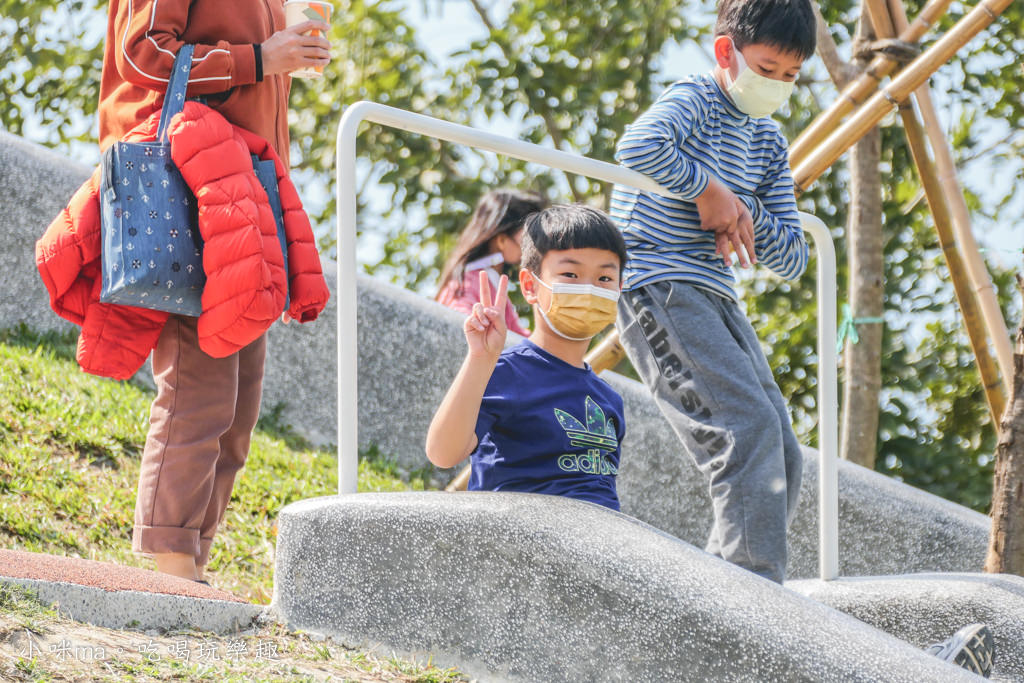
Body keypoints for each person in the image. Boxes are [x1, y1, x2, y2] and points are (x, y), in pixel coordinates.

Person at [98, 0, 331, 582]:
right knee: (199, 390)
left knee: (238, 407)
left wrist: (279, 54)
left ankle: (190, 559)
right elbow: (141, 56)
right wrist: (258, 58)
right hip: (190, 180)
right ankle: (171, 562)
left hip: (247, 189)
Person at [609, 0, 815, 585]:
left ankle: (725, 579)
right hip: (658, 281)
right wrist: (707, 193)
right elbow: (638, 146)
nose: (776, 85)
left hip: (717, 296)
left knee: (781, 444)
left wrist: (739, 206)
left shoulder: (769, 145)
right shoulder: (697, 97)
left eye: (789, 76)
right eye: (767, 68)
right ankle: (746, 586)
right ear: (728, 52)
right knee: (743, 428)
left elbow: (791, 255)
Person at [426, 204, 627, 510]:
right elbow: (442, 453)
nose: (588, 290)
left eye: (604, 279)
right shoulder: (507, 372)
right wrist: (480, 359)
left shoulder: (609, 401)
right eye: (570, 274)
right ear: (531, 286)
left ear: (619, 288)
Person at [436, 189, 548, 337]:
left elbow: (521, 340)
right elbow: (460, 323)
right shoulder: (469, 283)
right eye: (530, 236)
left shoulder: (488, 282)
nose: (536, 246)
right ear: (501, 240)